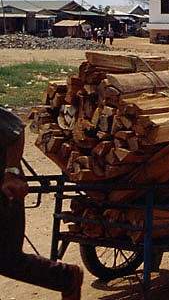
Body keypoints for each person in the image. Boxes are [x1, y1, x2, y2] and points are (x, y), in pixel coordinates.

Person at [0, 107, 84, 299]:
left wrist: (11, 173)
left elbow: (15, 129)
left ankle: (66, 277)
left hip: (6, 190)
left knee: (7, 258)